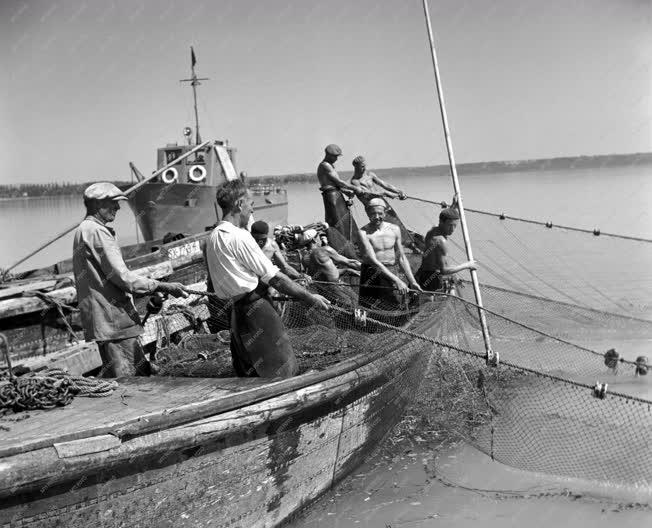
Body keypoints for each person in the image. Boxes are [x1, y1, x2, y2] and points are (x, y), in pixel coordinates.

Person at [205, 180, 330, 378]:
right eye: (250, 204)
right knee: (283, 372)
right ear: (239, 204)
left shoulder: (211, 238)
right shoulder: (239, 236)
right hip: (258, 314)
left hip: (236, 317)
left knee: (250, 375)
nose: (251, 210)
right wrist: (310, 298)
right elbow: (276, 279)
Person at [72, 182, 189, 378]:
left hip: (102, 320)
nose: (118, 208)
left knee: (120, 373)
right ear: (98, 205)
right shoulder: (98, 232)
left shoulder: (83, 230)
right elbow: (123, 278)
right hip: (113, 321)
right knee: (130, 379)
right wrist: (161, 285)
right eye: (113, 203)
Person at [357, 198, 421, 309]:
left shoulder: (395, 229)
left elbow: (401, 257)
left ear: (385, 213)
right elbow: (374, 262)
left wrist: (412, 281)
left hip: (391, 269)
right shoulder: (363, 233)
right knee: (372, 309)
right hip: (372, 273)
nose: (376, 217)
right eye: (373, 213)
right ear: (367, 213)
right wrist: (397, 280)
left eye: (380, 213)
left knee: (394, 305)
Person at [350, 155, 421, 252]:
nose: (364, 168)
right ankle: (380, 249)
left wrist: (398, 191)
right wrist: (386, 193)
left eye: (365, 165)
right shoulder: (355, 182)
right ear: (356, 167)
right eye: (362, 166)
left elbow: (384, 184)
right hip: (372, 208)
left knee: (397, 224)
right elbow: (368, 194)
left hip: (383, 203)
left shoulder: (370, 175)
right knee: (382, 228)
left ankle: (412, 247)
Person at [415, 207, 477, 292]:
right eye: (450, 225)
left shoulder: (432, 231)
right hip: (430, 279)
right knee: (429, 304)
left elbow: (446, 216)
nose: (452, 229)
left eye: (455, 226)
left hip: (422, 274)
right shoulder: (440, 241)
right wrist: (467, 265)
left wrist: (453, 206)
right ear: (441, 222)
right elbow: (444, 270)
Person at [317, 144, 360, 258]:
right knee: (338, 223)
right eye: (335, 156)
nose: (337, 159)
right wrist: (355, 188)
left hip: (336, 194)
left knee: (346, 222)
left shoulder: (331, 165)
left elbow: (337, 185)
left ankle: (353, 247)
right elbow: (339, 181)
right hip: (331, 197)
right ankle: (342, 250)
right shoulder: (325, 166)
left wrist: (346, 192)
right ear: (328, 155)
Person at [301, 231, 360, 308]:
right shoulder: (324, 250)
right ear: (314, 240)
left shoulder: (304, 258)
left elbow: (325, 273)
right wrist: (369, 269)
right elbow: (349, 262)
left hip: (322, 291)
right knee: (355, 309)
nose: (320, 239)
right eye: (318, 237)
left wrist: (347, 270)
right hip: (337, 288)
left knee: (339, 313)